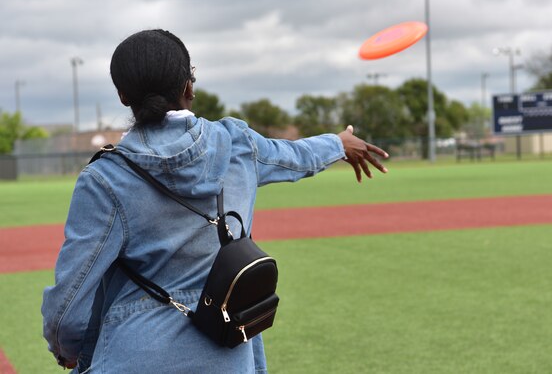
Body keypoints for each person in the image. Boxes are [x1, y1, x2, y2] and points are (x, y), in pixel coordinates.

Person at [41, 29, 388, 373]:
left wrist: (68, 350)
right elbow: (295, 155)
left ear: (122, 96)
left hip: (132, 355)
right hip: (229, 357)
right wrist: (339, 143)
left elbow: (68, 305)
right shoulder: (237, 145)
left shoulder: (105, 179)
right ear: (188, 86)